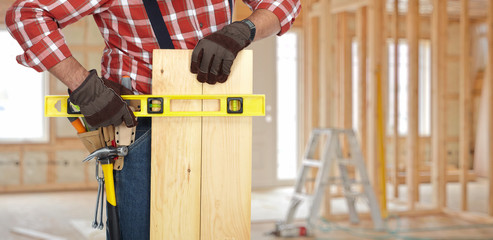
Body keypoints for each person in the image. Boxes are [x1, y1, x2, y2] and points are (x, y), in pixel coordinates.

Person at [5, 0, 301, 239]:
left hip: (218, 125)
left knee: (219, 227)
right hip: (141, 129)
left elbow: (284, 3)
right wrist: (82, 85)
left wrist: (243, 29)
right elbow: (26, 15)